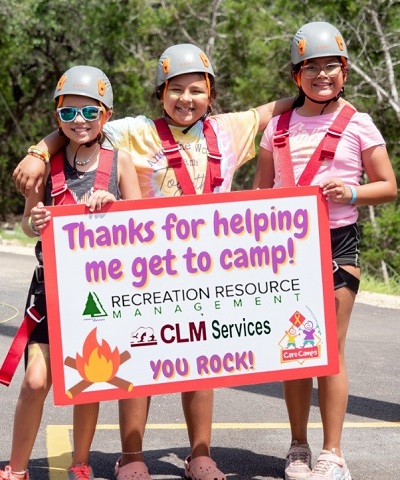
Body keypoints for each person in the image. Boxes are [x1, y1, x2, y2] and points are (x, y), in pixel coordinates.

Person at [12, 43, 294, 480]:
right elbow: (79, 122)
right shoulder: (133, 131)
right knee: (138, 354)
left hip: (207, 268)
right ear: (160, 93)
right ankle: (132, 454)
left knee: (202, 360)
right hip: (146, 269)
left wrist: (320, 87)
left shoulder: (228, 130)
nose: (186, 99)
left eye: (196, 90)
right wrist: (37, 150)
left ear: (211, 93)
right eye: (175, 89)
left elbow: (279, 106)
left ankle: (201, 452)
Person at [253, 21, 397, 480]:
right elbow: (259, 192)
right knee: (295, 347)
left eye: (330, 66)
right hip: (283, 249)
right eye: (310, 67)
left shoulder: (359, 123)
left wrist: (351, 193)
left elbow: (389, 186)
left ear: (345, 71)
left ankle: (333, 454)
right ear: (296, 75)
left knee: (329, 349)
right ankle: (297, 447)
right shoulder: (276, 126)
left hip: (336, 244)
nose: (321, 74)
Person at [0, 65, 141, 480]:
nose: (79, 121)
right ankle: (18, 467)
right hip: (50, 290)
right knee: (35, 382)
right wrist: (36, 221)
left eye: (89, 112)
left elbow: (142, 225)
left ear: (106, 114)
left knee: (91, 377)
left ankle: (80, 462)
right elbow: (28, 224)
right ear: (57, 117)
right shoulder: (47, 165)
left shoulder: (121, 163)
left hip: (101, 291)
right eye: (68, 113)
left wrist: (112, 204)